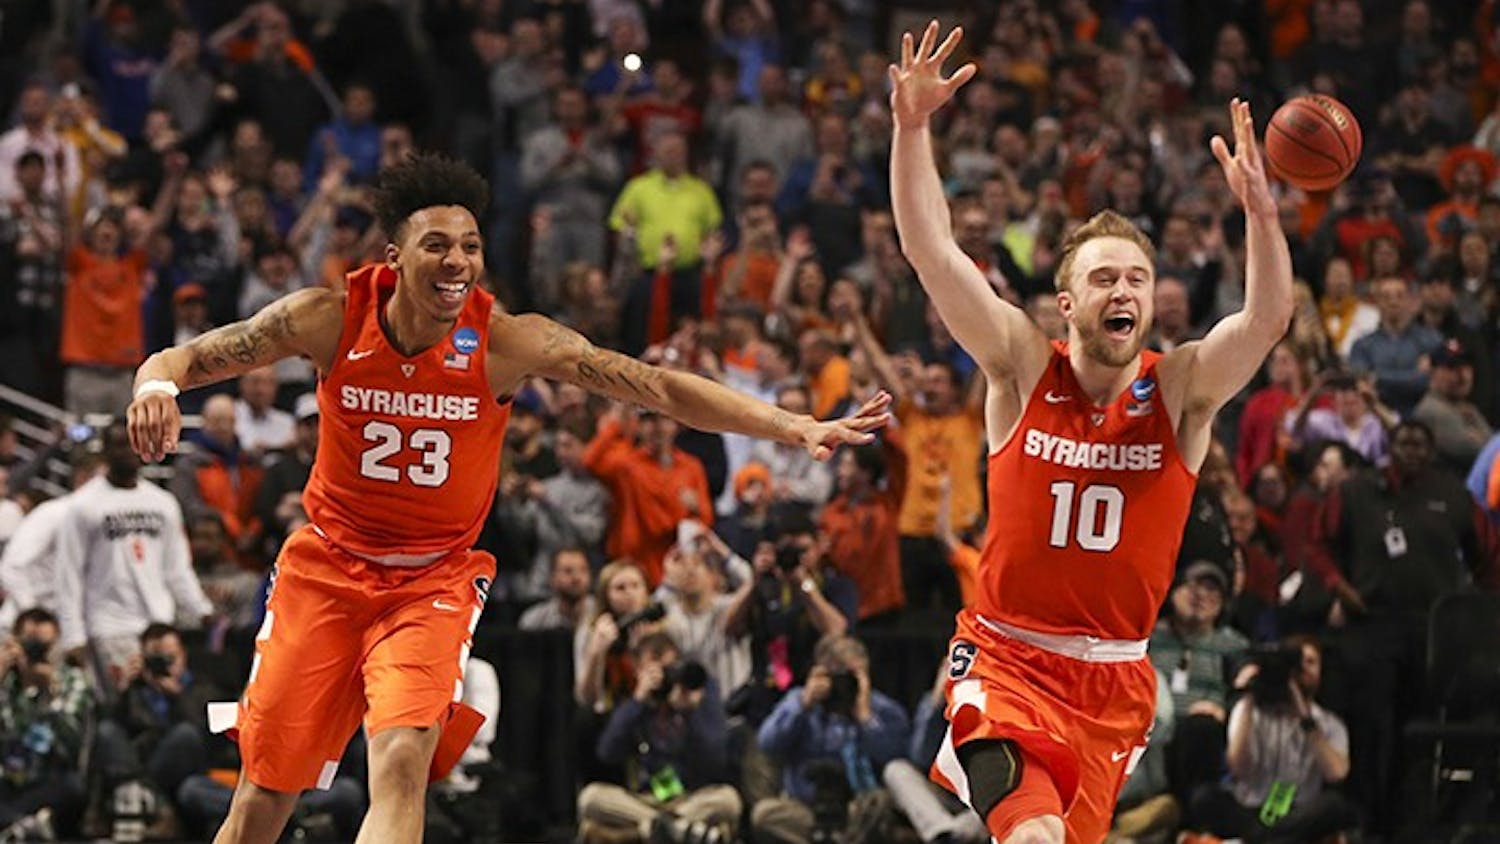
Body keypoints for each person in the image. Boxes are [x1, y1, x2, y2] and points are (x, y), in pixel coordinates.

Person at [125, 152, 889, 844]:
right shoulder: (328, 318)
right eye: (437, 246)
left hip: (431, 581)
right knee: (265, 794)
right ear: (394, 257)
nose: (457, 261)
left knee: (401, 760)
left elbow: (655, 386)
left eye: (470, 247)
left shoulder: (505, 342)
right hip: (326, 569)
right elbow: (185, 355)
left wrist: (790, 425)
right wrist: (156, 384)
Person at [888, 22, 1295, 844]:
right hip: (1003, 658)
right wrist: (911, 129)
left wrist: (1260, 212)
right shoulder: (1019, 365)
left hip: (1112, 681)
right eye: (1104, 276)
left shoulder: (1178, 390)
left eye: (1138, 278)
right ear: (1067, 303)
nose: (1126, 289)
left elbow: (1263, 322)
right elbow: (932, 253)